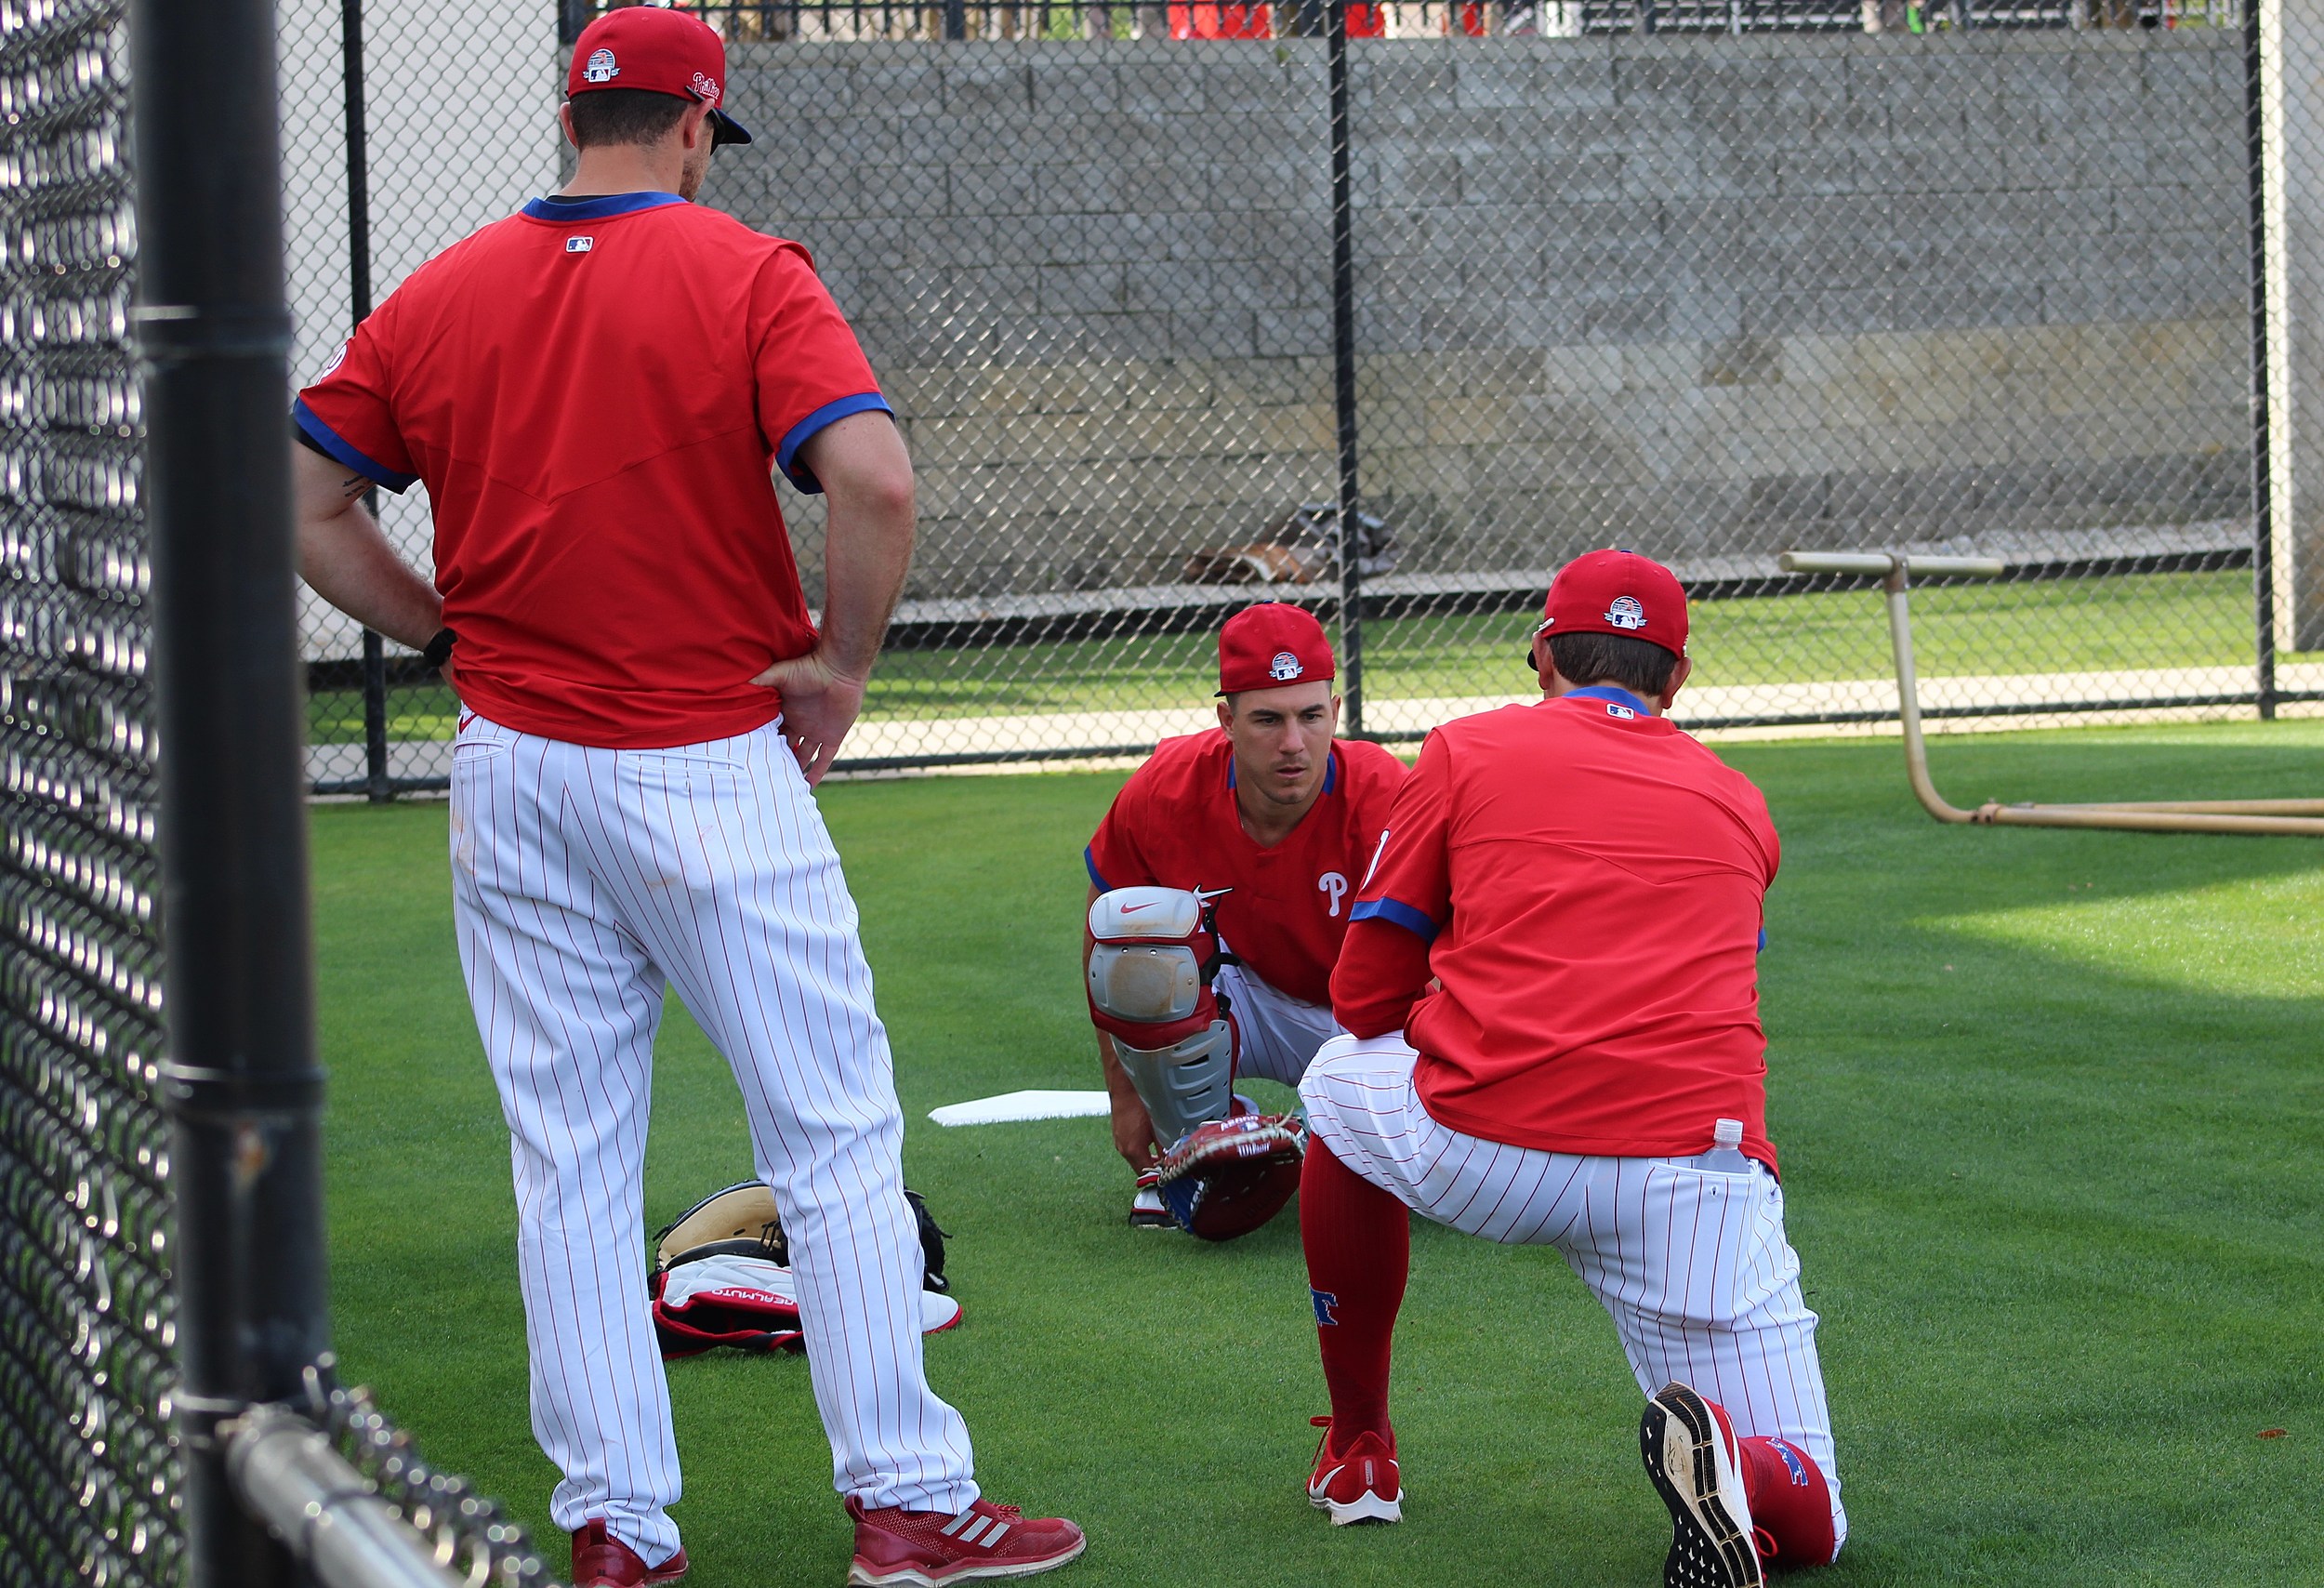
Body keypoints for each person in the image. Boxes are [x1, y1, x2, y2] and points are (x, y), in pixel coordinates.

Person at [286, 10, 1083, 1586]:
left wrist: (445, 628)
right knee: (834, 1133)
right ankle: (909, 1503)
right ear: (696, 127)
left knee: (571, 1159)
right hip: (703, 757)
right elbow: (875, 476)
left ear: (574, 119)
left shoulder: (444, 286)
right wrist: (843, 665)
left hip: (512, 765)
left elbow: (306, 500)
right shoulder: (744, 269)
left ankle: (619, 1533)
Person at [1293, 549, 1844, 1585]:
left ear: (1541, 654)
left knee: (1332, 1079)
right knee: (1817, 1517)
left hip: (1490, 1147)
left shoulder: (1466, 748)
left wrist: (1455, 1003)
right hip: (1701, 1175)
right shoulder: (1739, 800)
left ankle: (1360, 1442)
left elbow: (1362, 996)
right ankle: (1746, 1471)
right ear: (1676, 678)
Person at [1081, 602, 1404, 1232]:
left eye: (1311, 717)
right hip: (1243, 999)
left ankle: (1377, 1132)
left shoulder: (1386, 794)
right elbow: (1102, 933)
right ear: (1227, 719)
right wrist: (1125, 1093)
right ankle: (1193, 1151)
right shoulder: (1164, 789)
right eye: (1267, 720)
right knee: (1134, 936)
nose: (1293, 743)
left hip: (1367, 1022)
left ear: (1335, 712)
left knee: (1422, 1174)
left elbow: (1454, 951)